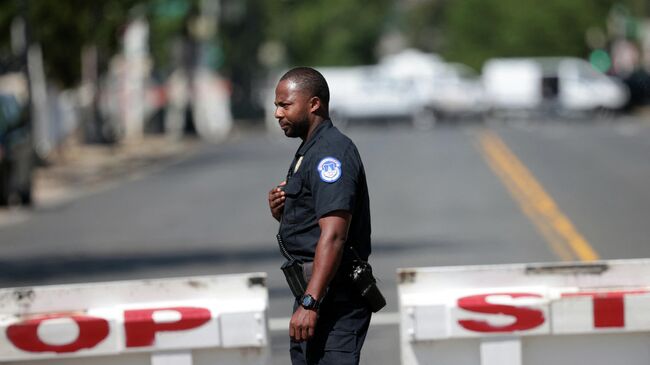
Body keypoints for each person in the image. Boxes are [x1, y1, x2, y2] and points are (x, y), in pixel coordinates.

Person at [267, 67, 373, 365]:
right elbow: (316, 228)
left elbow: (335, 234)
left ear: (314, 104)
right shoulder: (308, 150)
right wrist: (284, 215)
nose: (277, 113)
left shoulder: (330, 154)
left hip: (332, 301)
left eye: (285, 105)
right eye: (277, 105)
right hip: (315, 294)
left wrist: (310, 303)